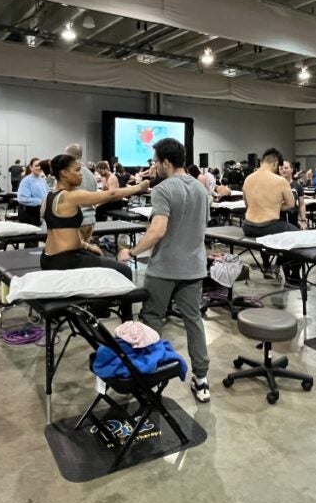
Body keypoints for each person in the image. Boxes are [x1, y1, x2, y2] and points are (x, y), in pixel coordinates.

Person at [118, 138, 211, 403]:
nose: (154, 166)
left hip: (164, 269)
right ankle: (202, 380)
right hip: (194, 267)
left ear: (166, 163)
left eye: (156, 161)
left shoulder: (163, 190)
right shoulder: (201, 189)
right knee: (193, 321)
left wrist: (131, 252)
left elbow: (157, 230)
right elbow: (200, 226)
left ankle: (148, 377)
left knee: (152, 319)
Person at [41, 154, 148, 281]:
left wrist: (88, 246)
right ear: (64, 173)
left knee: (97, 254)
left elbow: (63, 234)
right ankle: (114, 301)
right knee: (124, 271)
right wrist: (139, 187)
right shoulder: (70, 197)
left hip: (49, 257)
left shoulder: (47, 198)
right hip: (65, 261)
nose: (81, 174)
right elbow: (112, 194)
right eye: (77, 170)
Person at [242, 148, 298, 279]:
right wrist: (276, 206)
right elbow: (291, 205)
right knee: (297, 235)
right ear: (275, 163)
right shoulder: (280, 181)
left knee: (275, 230)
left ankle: (268, 265)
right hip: (268, 227)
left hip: (248, 227)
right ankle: (294, 277)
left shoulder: (248, 179)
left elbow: (247, 204)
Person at [63, 143, 98, 243]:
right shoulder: (91, 175)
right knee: (84, 254)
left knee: (71, 255)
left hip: (76, 221)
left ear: (68, 156)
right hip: (90, 220)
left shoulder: (69, 174)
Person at [16, 158, 49, 228]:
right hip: (29, 215)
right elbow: (22, 198)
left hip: (39, 213)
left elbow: (47, 194)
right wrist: (42, 202)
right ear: (31, 167)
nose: (39, 167)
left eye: (40, 165)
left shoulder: (42, 180)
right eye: (36, 165)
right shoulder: (26, 181)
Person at [280, 160, 306, 228]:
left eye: (286, 168)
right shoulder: (275, 185)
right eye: (281, 168)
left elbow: (302, 204)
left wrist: (303, 221)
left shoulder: (297, 186)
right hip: (279, 219)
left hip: (293, 218)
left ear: (291, 170)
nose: (283, 170)